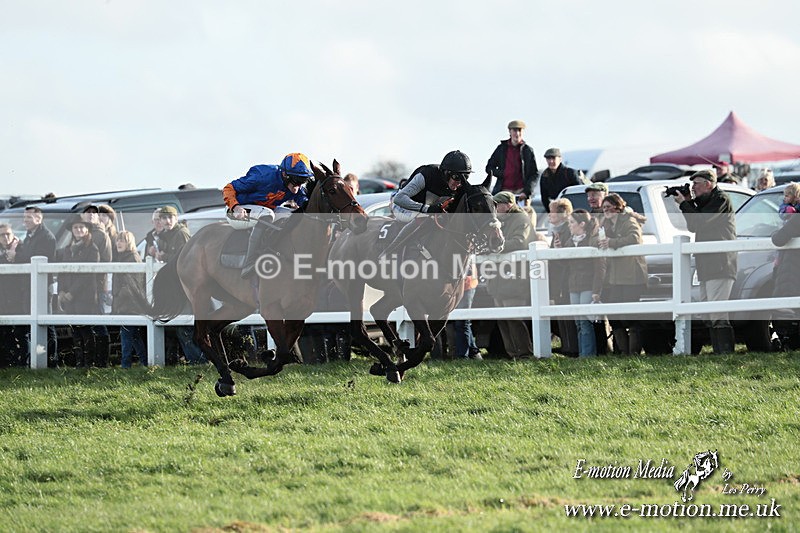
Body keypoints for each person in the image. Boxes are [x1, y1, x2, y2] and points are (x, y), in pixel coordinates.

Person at [674, 169, 737, 353]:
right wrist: (687, 202)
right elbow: (695, 224)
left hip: (721, 263)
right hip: (707, 264)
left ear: (708, 184)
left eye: (697, 184)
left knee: (717, 311)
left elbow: (699, 223)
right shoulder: (705, 202)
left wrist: (685, 204)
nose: (693, 187)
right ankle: (719, 351)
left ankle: (724, 352)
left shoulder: (721, 199)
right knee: (707, 311)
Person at [223, 153, 313, 279]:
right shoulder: (262, 176)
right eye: (297, 181)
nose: (298, 187)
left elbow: (303, 201)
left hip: (264, 211)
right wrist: (236, 207)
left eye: (302, 182)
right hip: (236, 211)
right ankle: (249, 262)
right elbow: (228, 188)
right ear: (284, 175)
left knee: (293, 216)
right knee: (267, 214)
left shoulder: (293, 184)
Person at [382, 150, 471, 257]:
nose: (460, 182)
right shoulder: (427, 174)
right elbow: (399, 199)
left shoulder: (459, 186)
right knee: (424, 218)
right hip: (401, 206)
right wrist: (427, 209)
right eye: (457, 177)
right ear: (446, 173)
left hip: (424, 211)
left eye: (465, 177)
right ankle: (388, 252)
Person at [486, 191, 535, 359]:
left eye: (497, 205)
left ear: (508, 205)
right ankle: (512, 352)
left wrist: (496, 247)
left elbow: (520, 242)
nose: (495, 208)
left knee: (514, 316)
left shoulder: (521, 219)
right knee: (502, 317)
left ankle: (524, 353)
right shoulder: (499, 221)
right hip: (499, 276)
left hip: (515, 275)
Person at [598, 193, 648, 355]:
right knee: (614, 315)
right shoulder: (605, 223)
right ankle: (622, 351)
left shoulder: (628, 220)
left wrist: (613, 242)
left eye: (608, 207)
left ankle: (633, 352)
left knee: (631, 315)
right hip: (614, 276)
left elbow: (634, 237)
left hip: (631, 274)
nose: (605, 210)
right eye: (603, 207)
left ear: (617, 207)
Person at [14, 206, 58, 364]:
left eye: (29, 218)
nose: (25, 221)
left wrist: (15, 255)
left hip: (41, 287)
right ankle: (38, 359)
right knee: (34, 323)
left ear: (39, 219)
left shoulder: (46, 237)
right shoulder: (30, 235)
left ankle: (50, 360)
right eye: (24, 217)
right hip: (29, 286)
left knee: (46, 324)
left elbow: (32, 257)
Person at [56, 219, 101, 367]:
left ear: (87, 230)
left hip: (85, 296)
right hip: (69, 296)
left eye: (81, 227)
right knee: (75, 330)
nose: (78, 230)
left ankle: (89, 362)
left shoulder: (92, 249)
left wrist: (72, 292)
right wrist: (61, 290)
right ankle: (79, 361)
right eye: (75, 227)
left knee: (86, 329)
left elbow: (87, 275)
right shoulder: (68, 249)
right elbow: (62, 271)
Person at [564, 210, 605, 357]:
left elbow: (599, 267)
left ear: (582, 224)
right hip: (574, 285)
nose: (569, 226)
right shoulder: (570, 242)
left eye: (572, 223)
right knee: (578, 323)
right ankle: (583, 353)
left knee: (586, 321)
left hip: (588, 285)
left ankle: (588, 354)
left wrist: (596, 290)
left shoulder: (591, 241)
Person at [81, 205, 112, 366]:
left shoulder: (101, 235)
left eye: (94, 213)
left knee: (98, 323)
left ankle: (102, 361)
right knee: (85, 322)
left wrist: (102, 284)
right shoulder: (80, 232)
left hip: (96, 285)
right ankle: (89, 360)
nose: (91, 215)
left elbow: (106, 261)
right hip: (83, 286)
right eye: (88, 213)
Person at [547, 199, 578, 357]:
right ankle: (567, 346)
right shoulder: (558, 230)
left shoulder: (568, 230)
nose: (549, 215)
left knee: (568, 314)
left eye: (552, 211)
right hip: (559, 279)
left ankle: (572, 347)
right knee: (562, 314)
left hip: (566, 278)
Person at [112, 231, 147, 368]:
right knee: (133, 336)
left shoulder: (132, 257)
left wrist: (119, 294)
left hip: (130, 304)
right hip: (123, 303)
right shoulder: (121, 257)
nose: (119, 243)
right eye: (118, 240)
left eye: (123, 240)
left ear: (129, 243)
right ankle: (144, 361)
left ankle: (125, 365)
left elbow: (134, 283)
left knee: (126, 334)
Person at [770, 193, 800, 345]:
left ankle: (790, 342)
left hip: (793, 270)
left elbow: (778, 239)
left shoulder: (796, 218)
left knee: (790, 312)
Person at [485, 120, 539, 201]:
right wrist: (502, 173)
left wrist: (527, 191)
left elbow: (534, 174)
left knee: (524, 213)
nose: (517, 133)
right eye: (514, 130)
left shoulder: (528, 150)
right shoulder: (501, 149)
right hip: (503, 192)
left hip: (521, 193)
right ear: (510, 132)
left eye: (519, 130)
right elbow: (489, 168)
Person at [0, 223, 25, 366]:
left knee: (21, 331)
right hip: (3, 296)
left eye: (7, 234)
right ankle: (7, 362)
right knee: (5, 331)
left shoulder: (21, 247)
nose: (5, 237)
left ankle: (22, 363)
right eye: (2, 235)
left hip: (18, 295)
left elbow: (26, 259)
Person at [540, 148, 580, 212]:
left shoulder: (570, 173)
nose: (551, 161)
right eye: (548, 159)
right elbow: (544, 198)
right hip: (557, 211)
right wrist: (551, 212)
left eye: (553, 158)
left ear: (560, 159)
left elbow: (580, 192)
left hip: (573, 210)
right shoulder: (545, 176)